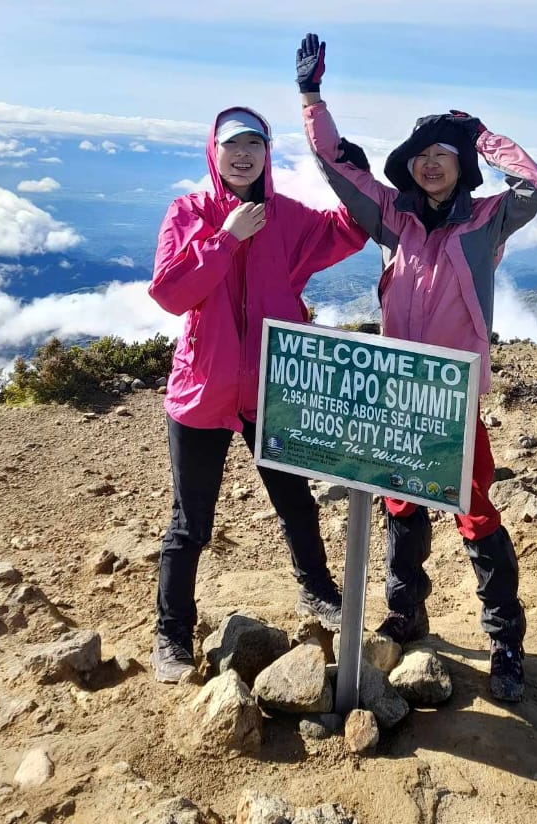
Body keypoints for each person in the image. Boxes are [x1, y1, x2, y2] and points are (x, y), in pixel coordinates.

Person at [296, 33, 537, 702]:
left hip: (452, 396)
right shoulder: (392, 218)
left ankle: (504, 644)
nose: (430, 166)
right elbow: (334, 163)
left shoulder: (489, 221)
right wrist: (311, 97)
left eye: (443, 156)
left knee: (474, 516)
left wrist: (484, 135)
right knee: (401, 505)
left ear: (462, 166)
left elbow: (536, 183)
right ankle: (407, 612)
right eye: (420, 157)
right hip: (396, 391)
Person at [147, 105, 367, 683]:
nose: (243, 154)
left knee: (295, 500)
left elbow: (350, 230)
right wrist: (224, 240)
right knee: (190, 523)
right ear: (213, 153)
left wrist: (352, 172)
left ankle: (318, 593)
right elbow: (170, 293)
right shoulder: (188, 213)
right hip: (202, 392)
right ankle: (171, 634)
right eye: (232, 145)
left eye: (255, 145)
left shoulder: (289, 219)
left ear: (268, 155)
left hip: (273, 389)